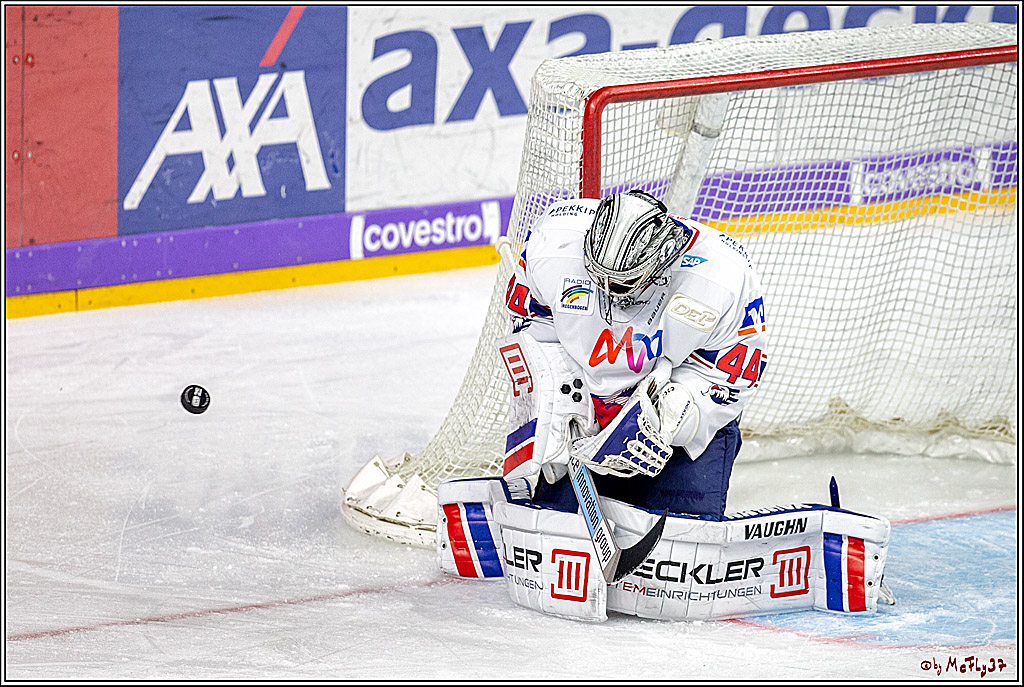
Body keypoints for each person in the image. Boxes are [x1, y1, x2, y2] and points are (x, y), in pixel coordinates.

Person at [501, 189, 767, 518]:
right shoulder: (554, 242)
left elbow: (735, 371)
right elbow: (533, 324)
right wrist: (561, 399)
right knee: (550, 519)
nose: (609, 294)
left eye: (622, 285)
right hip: (582, 416)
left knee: (682, 536)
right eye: (599, 279)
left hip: (673, 427)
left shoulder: (720, 276)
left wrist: (675, 414)